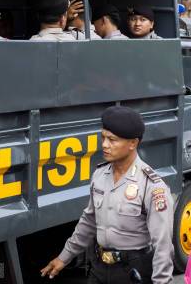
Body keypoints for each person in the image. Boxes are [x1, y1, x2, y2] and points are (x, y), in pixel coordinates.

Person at [41, 106, 174, 284]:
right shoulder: (99, 175)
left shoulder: (151, 186)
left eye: (112, 140)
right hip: (99, 267)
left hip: (133, 271)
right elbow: (88, 222)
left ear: (132, 143)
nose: (104, 144)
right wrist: (64, 257)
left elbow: (163, 245)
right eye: (103, 137)